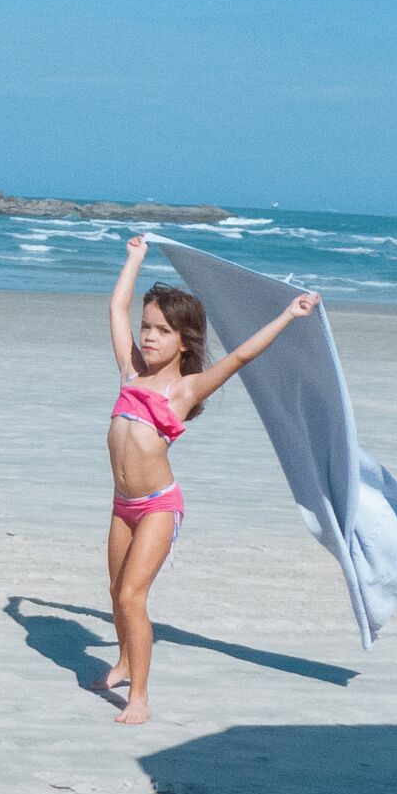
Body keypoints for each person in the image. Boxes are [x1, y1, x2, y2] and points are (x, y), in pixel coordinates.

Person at [96, 237, 318, 728]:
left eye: (161, 331)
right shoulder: (130, 374)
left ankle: (140, 696)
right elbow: (116, 305)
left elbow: (240, 357)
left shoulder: (184, 390)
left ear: (183, 340)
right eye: (146, 328)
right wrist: (134, 258)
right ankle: (125, 659)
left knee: (133, 596)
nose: (148, 337)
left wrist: (289, 314)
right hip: (121, 504)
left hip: (157, 506)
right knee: (115, 592)